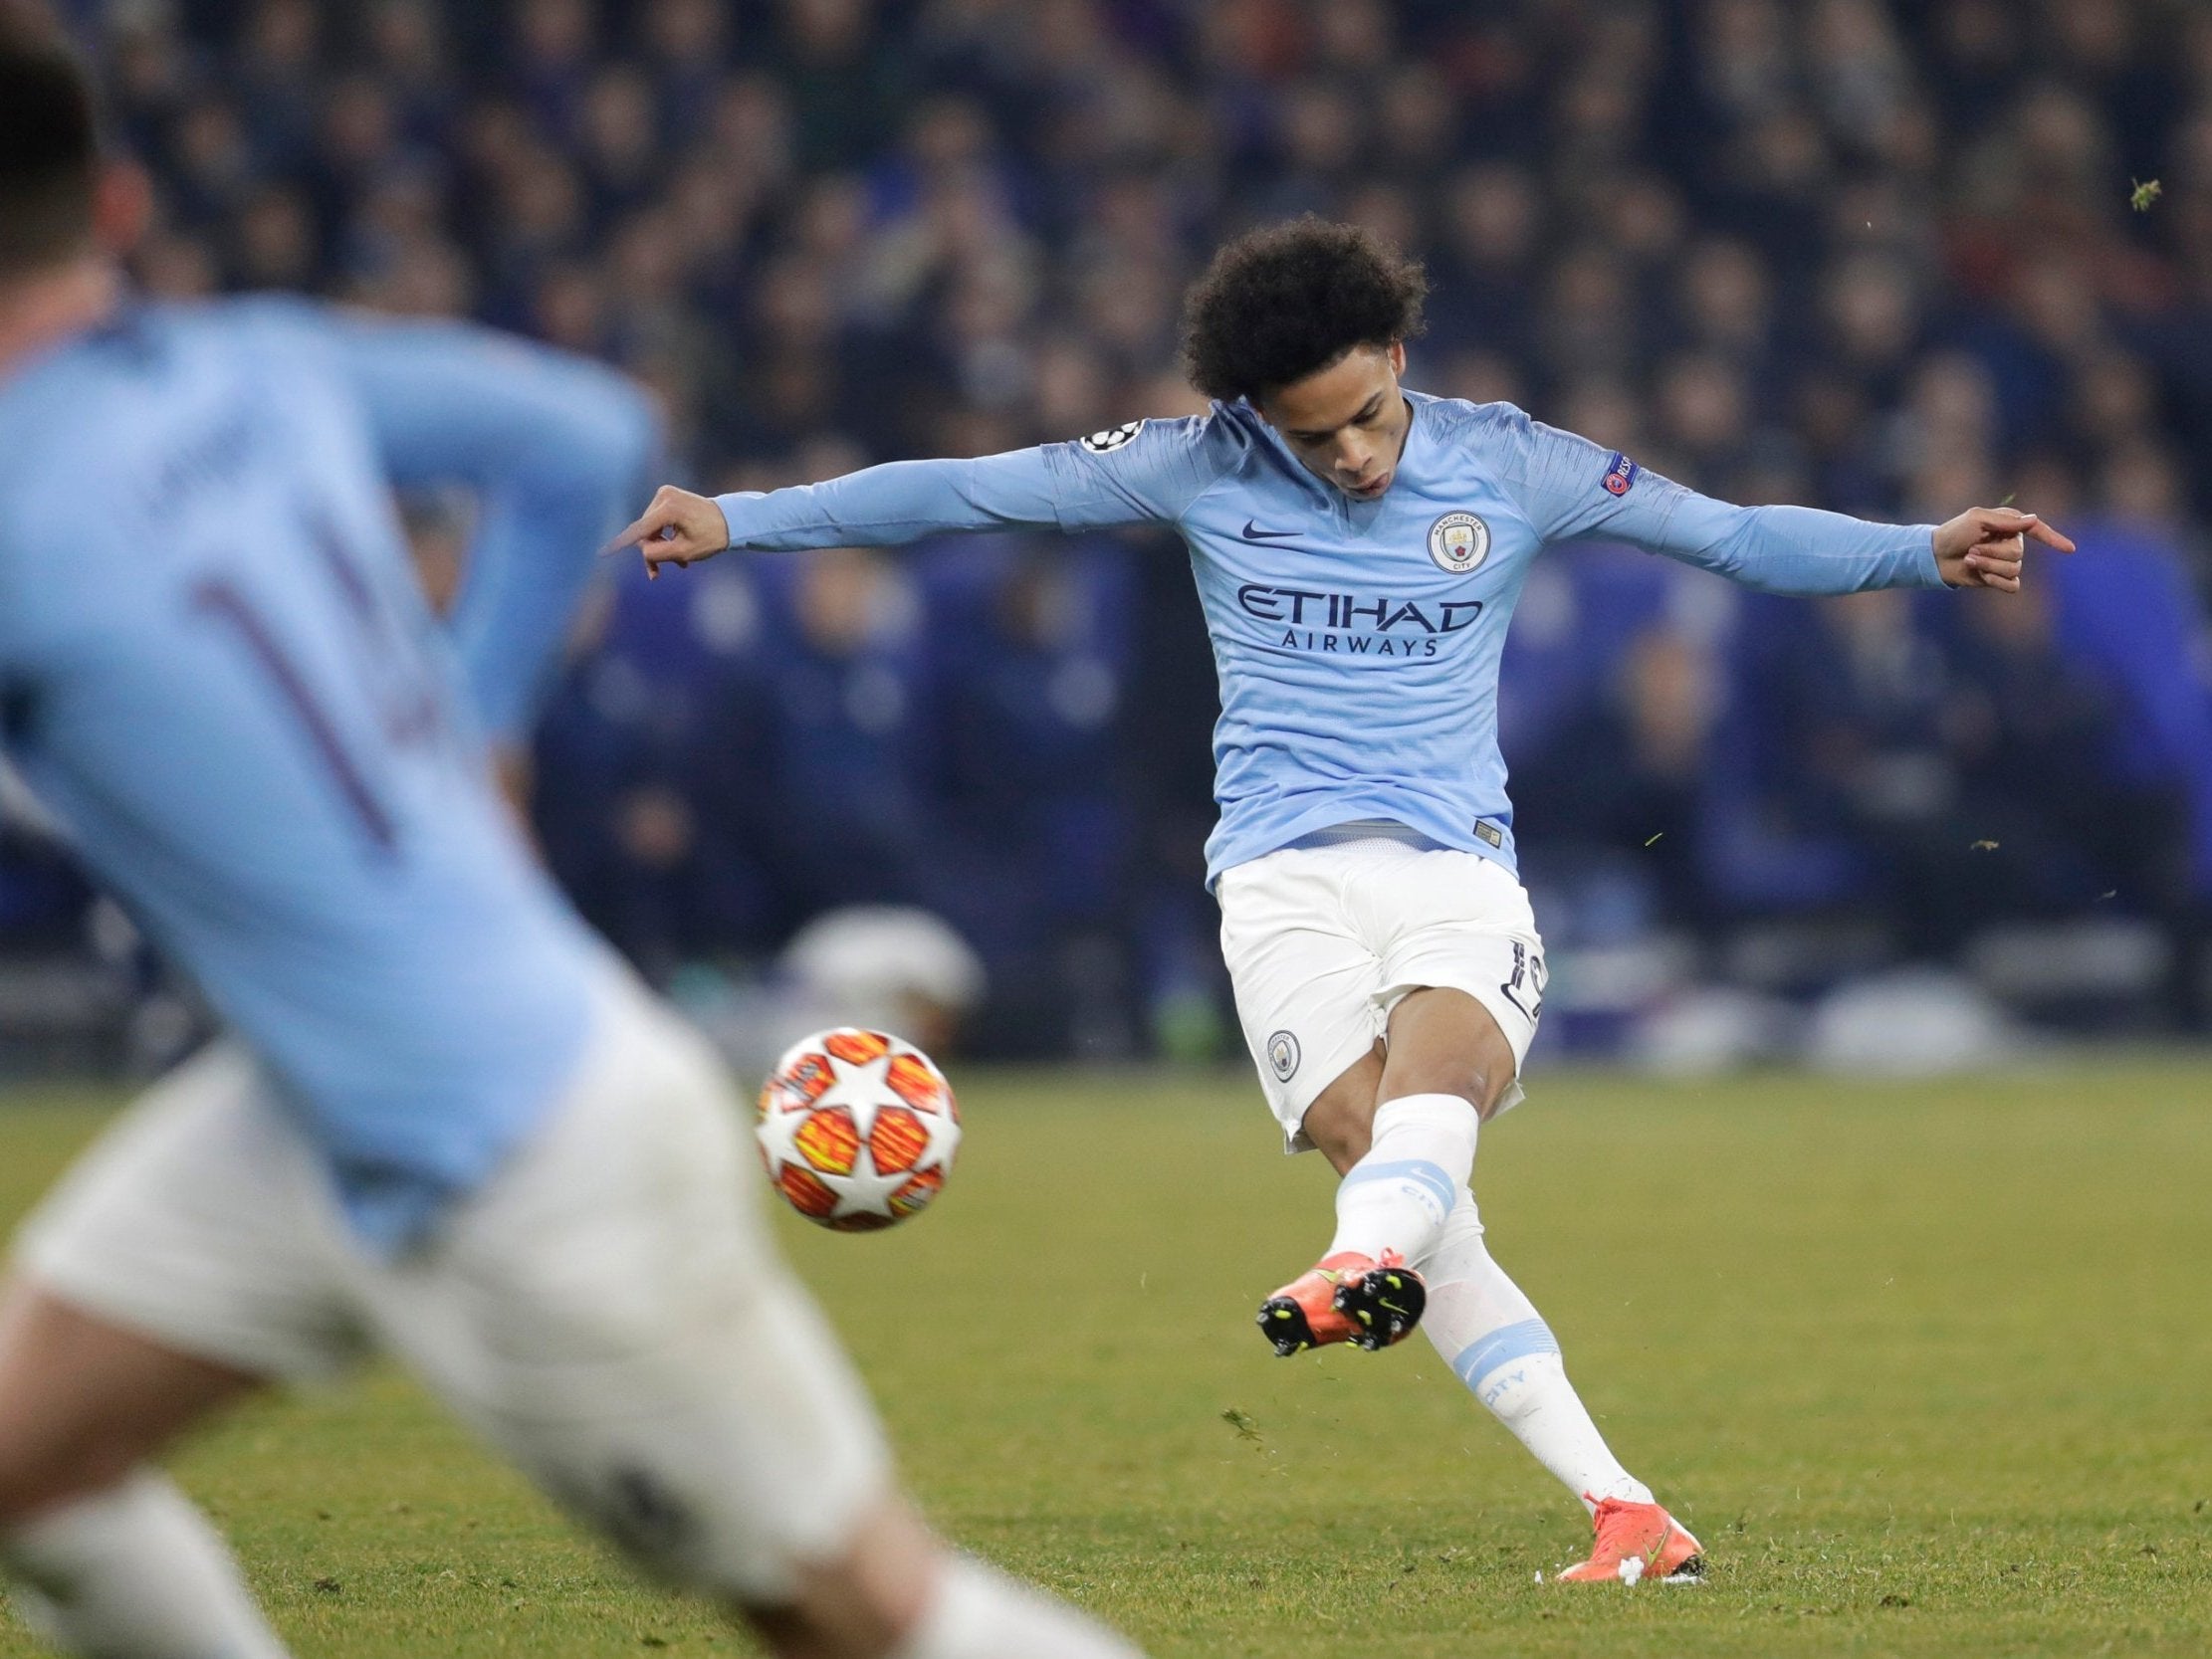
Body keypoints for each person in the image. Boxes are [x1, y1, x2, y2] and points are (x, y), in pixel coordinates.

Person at [616, 216, 2074, 1586]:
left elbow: (1733, 534)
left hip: (1452, 862)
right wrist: (736, 519)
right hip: (1275, 884)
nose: (1361, 457)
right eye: (1317, 438)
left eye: (1373, 415)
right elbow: (960, 491)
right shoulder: (1193, 465)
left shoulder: (1511, 463)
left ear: (1399, 360)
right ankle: (1624, 1509)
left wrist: (1918, 551)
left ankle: (1351, 1260)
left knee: (1435, 1089)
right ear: (1255, 417)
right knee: (1405, 1189)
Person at [0, 24, 1141, 1659]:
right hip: (319, 1109)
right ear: (114, 206)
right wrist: (482, 726)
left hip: (520, 1152)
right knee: (29, 1469)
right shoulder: (257, 363)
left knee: (863, 1614)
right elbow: (586, 432)